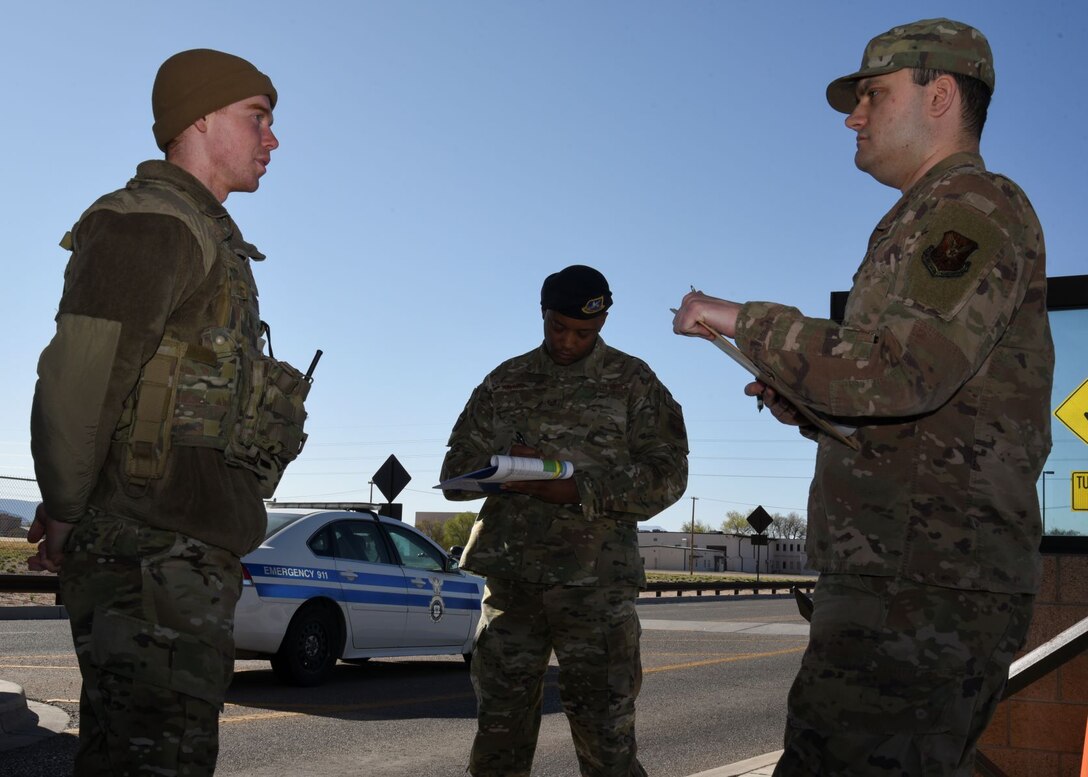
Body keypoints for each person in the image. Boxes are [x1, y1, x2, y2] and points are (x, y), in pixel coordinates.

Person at [672, 18, 1052, 777]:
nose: (854, 115)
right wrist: (806, 399)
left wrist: (741, 318)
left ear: (940, 94)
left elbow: (901, 370)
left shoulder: (972, 205)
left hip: (923, 587)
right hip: (908, 576)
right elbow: (917, 408)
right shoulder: (925, 214)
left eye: (873, 94)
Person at [28, 49, 310, 775]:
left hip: (175, 557)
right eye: (258, 119)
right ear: (201, 118)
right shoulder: (152, 224)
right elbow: (79, 383)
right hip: (147, 559)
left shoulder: (206, 236)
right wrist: (65, 511)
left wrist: (214, 536)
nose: (272, 139)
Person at [442, 265, 688, 777]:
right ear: (543, 314)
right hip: (514, 586)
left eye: (584, 333)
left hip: (595, 590)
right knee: (498, 737)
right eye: (559, 328)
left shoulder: (632, 382)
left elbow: (668, 474)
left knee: (606, 740)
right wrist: (502, 465)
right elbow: (453, 475)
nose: (569, 341)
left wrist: (579, 489)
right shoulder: (505, 381)